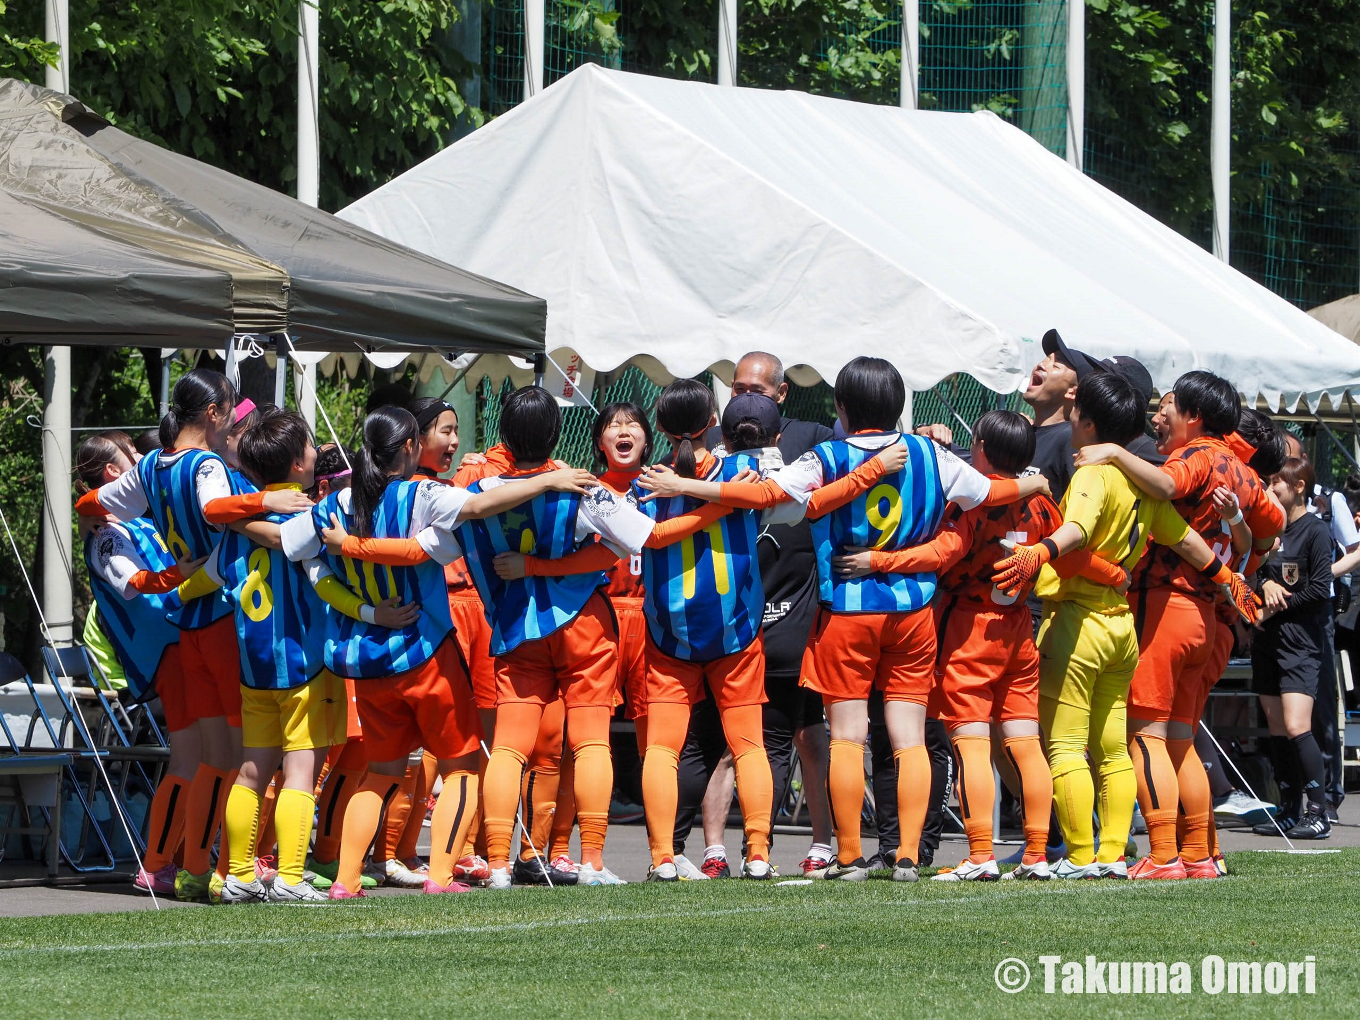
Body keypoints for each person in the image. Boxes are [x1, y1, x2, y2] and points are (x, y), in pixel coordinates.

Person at [658, 358, 1048, 881]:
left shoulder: (827, 455)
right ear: (898, 406)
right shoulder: (929, 453)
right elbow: (988, 492)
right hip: (913, 612)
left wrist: (696, 489)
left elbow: (766, 496)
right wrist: (1031, 485)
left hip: (847, 610)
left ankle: (848, 855)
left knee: (846, 737)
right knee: (909, 738)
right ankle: (906, 855)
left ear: (841, 407)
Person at [279, 404, 598, 898]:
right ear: (410, 447)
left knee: (380, 774)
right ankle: (441, 877)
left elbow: (292, 548)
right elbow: (479, 506)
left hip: (368, 660)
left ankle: (345, 880)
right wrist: (548, 480)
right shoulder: (420, 493)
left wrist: (359, 603)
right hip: (425, 655)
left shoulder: (335, 503)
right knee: (462, 768)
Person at [993, 372, 1259, 880]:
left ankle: (1082, 856)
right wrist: (1228, 577)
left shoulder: (1095, 473)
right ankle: (1119, 854)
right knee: (1116, 749)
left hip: (1079, 624)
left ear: (1088, 422)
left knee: (1068, 746)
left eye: (1075, 412)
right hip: (1122, 627)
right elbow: (1188, 540)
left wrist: (1038, 552)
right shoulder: (1145, 482)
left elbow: (1077, 531)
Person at [75, 368, 312, 902]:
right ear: (213, 413)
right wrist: (266, 502)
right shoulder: (206, 464)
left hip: (191, 626)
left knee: (211, 761)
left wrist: (87, 512)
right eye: (230, 409)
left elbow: (91, 503)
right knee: (248, 759)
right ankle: (232, 872)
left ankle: (193, 871)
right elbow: (212, 510)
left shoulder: (150, 466)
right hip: (225, 618)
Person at [1072, 371, 1285, 878]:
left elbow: (1168, 485)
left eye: (1169, 405)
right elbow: (1271, 528)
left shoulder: (1198, 455)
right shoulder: (1244, 472)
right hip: (1206, 618)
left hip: (1167, 605)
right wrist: (1240, 534)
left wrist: (1114, 452)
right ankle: (1199, 854)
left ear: (1194, 415)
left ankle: (1164, 854)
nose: (1159, 415)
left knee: (1145, 736)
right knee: (1180, 741)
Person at [204, 409, 415, 903]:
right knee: (301, 771)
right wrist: (371, 612)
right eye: (309, 444)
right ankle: (291, 877)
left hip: (254, 665)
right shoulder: (310, 520)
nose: (316, 450)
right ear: (298, 464)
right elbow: (325, 585)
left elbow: (207, 577)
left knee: (253, 769)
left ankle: (238, 875)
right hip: (304, 662)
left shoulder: (236, 524)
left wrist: (166, 592)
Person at [75, 431, 188, 894]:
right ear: (113, 472)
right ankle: (158, 863)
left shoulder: (137, 520)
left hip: (185, 642)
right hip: (166, 653)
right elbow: (133, 582)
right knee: (191, 757)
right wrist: (189, 572)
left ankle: (185, 860)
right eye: (133, 454)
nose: (143, 457)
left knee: (206, 757)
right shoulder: (105, 535)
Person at [1251, 456, 1334, 840]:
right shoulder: (1267, 530)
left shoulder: (1315, 531)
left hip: (1301, 642)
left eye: (1275, 482)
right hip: (1267, 641)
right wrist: (1263, 586)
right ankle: (1289, 809)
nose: (1269, 489)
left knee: (1298, 726)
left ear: (1298, 487)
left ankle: (1319, 812)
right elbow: (1251, 571)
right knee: (1277, 728)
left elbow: (1319, 588)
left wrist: (1275, 604)